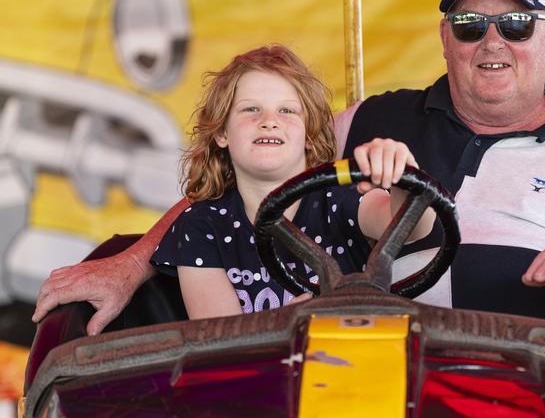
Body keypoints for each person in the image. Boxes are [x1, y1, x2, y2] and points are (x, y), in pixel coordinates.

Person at [34, 0, 545, 335]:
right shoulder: (376, 118)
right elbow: (244, 185)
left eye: (515, 24)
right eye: (469, 24)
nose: (492, 41)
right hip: (368, 359)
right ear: (444, 36)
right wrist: (130, 262)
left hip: (528, 383)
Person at [39, 44, 433, 322]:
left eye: (287, 111)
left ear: (310, 135)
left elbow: (415, 224)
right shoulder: (201, 227)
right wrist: (283, 325)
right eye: (250, 110)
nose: (269, 120)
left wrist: (399, 174)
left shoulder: (339, 202)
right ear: (222, 133)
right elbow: (219, 338)